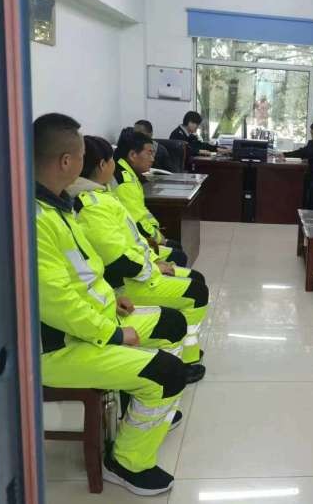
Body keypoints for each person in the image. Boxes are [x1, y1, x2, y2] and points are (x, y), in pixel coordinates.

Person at [34, 113, 186, 496]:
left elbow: (85, 273)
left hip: (94, 324)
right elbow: (57, 303)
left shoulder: (58, 207)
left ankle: (139, 409)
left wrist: (114, 301)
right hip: (59, 348)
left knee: (171, 324)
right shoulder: (36, 220)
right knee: (167, 373)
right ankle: (127, 462)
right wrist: (115, 335)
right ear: (66, 161)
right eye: (81, 155)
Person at [68, 135, 210, 382]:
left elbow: (128, 238)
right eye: (111, 160)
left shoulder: (101, 194)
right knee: (195, 292)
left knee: (190, 273)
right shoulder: (92, 204)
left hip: (137, 270)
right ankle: (183, 362)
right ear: (102, 165)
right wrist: (154, 266)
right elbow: (119, 259)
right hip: (128, 282)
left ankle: (183, 355)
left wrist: (153, 257)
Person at [112, 130, 188, 267]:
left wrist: (156, 231)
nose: (152, 159)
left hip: (136, 236)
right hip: (132, 242)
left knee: (175, 246)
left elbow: (142, 212)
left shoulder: (127, 173)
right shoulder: (125, 182)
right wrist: (160, 239)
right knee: (177, 253)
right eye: (149, 153)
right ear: (133, 155)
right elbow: (137, 223)